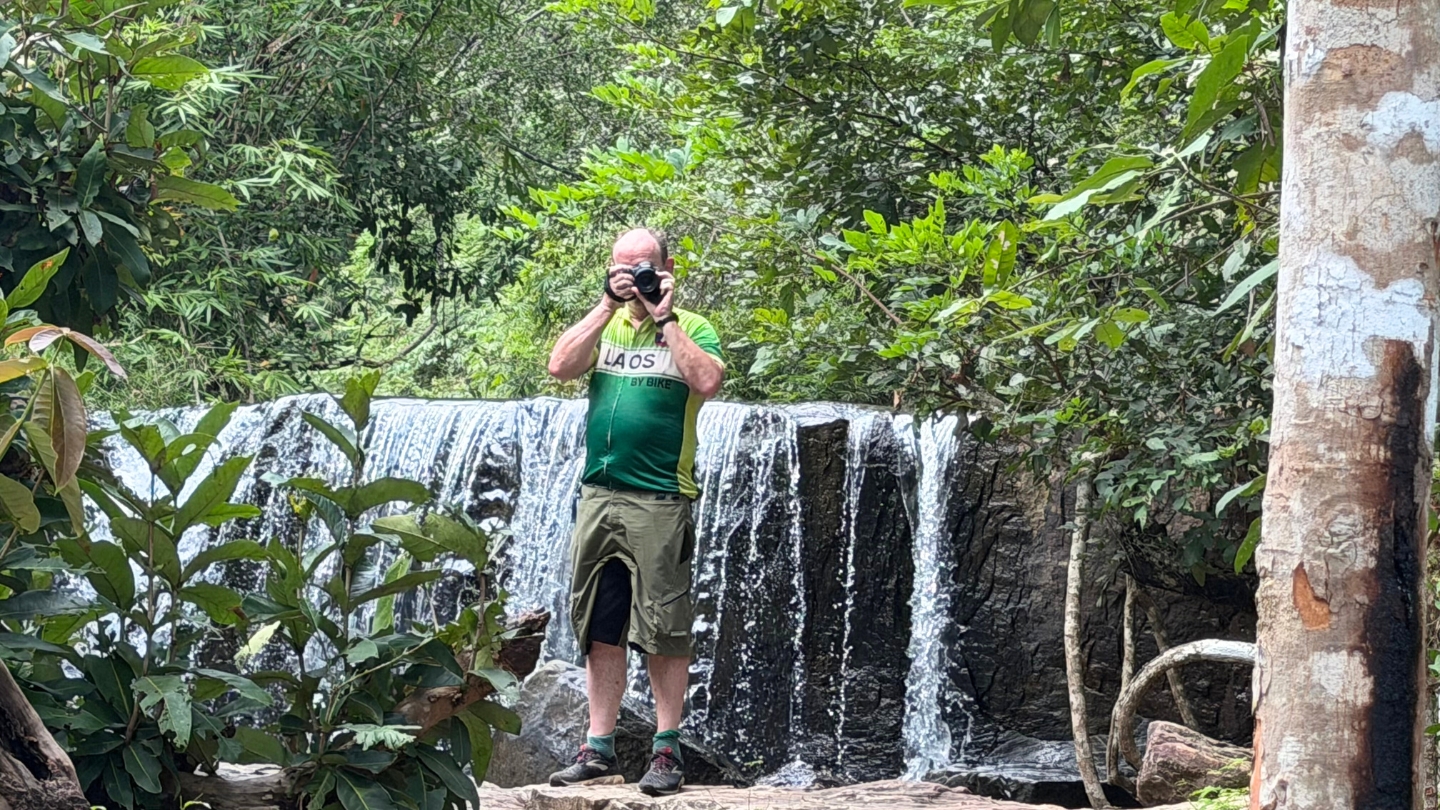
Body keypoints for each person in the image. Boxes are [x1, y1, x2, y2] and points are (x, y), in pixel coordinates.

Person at [544, 228, 724, 796]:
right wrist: (604, 304)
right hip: (599, 495)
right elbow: (560, 366)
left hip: (660, 498)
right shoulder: (607, 323)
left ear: (667, 267)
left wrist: (665, 318)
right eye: (623, 269)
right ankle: (597, 748)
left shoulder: (692, 327)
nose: (633, 279)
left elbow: (707, 381)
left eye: (643, 268)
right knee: (601, 624)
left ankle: (666, 752)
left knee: (665, 628)